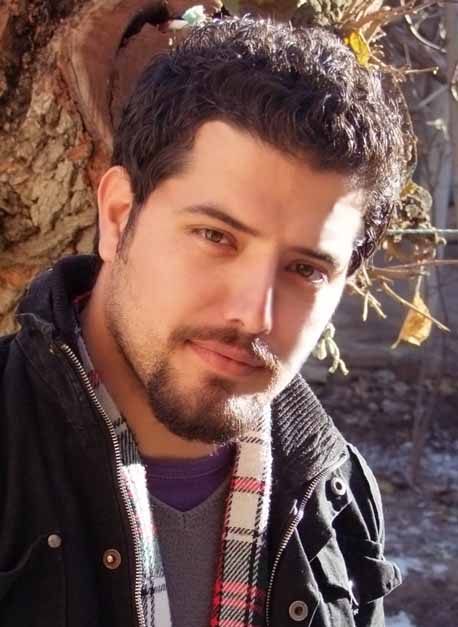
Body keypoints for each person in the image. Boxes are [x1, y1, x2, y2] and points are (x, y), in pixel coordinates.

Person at [0, 17, 403, 627]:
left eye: (306, 269)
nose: (254, 313)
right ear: (118, 216)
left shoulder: (337, 495)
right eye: (216, 236)